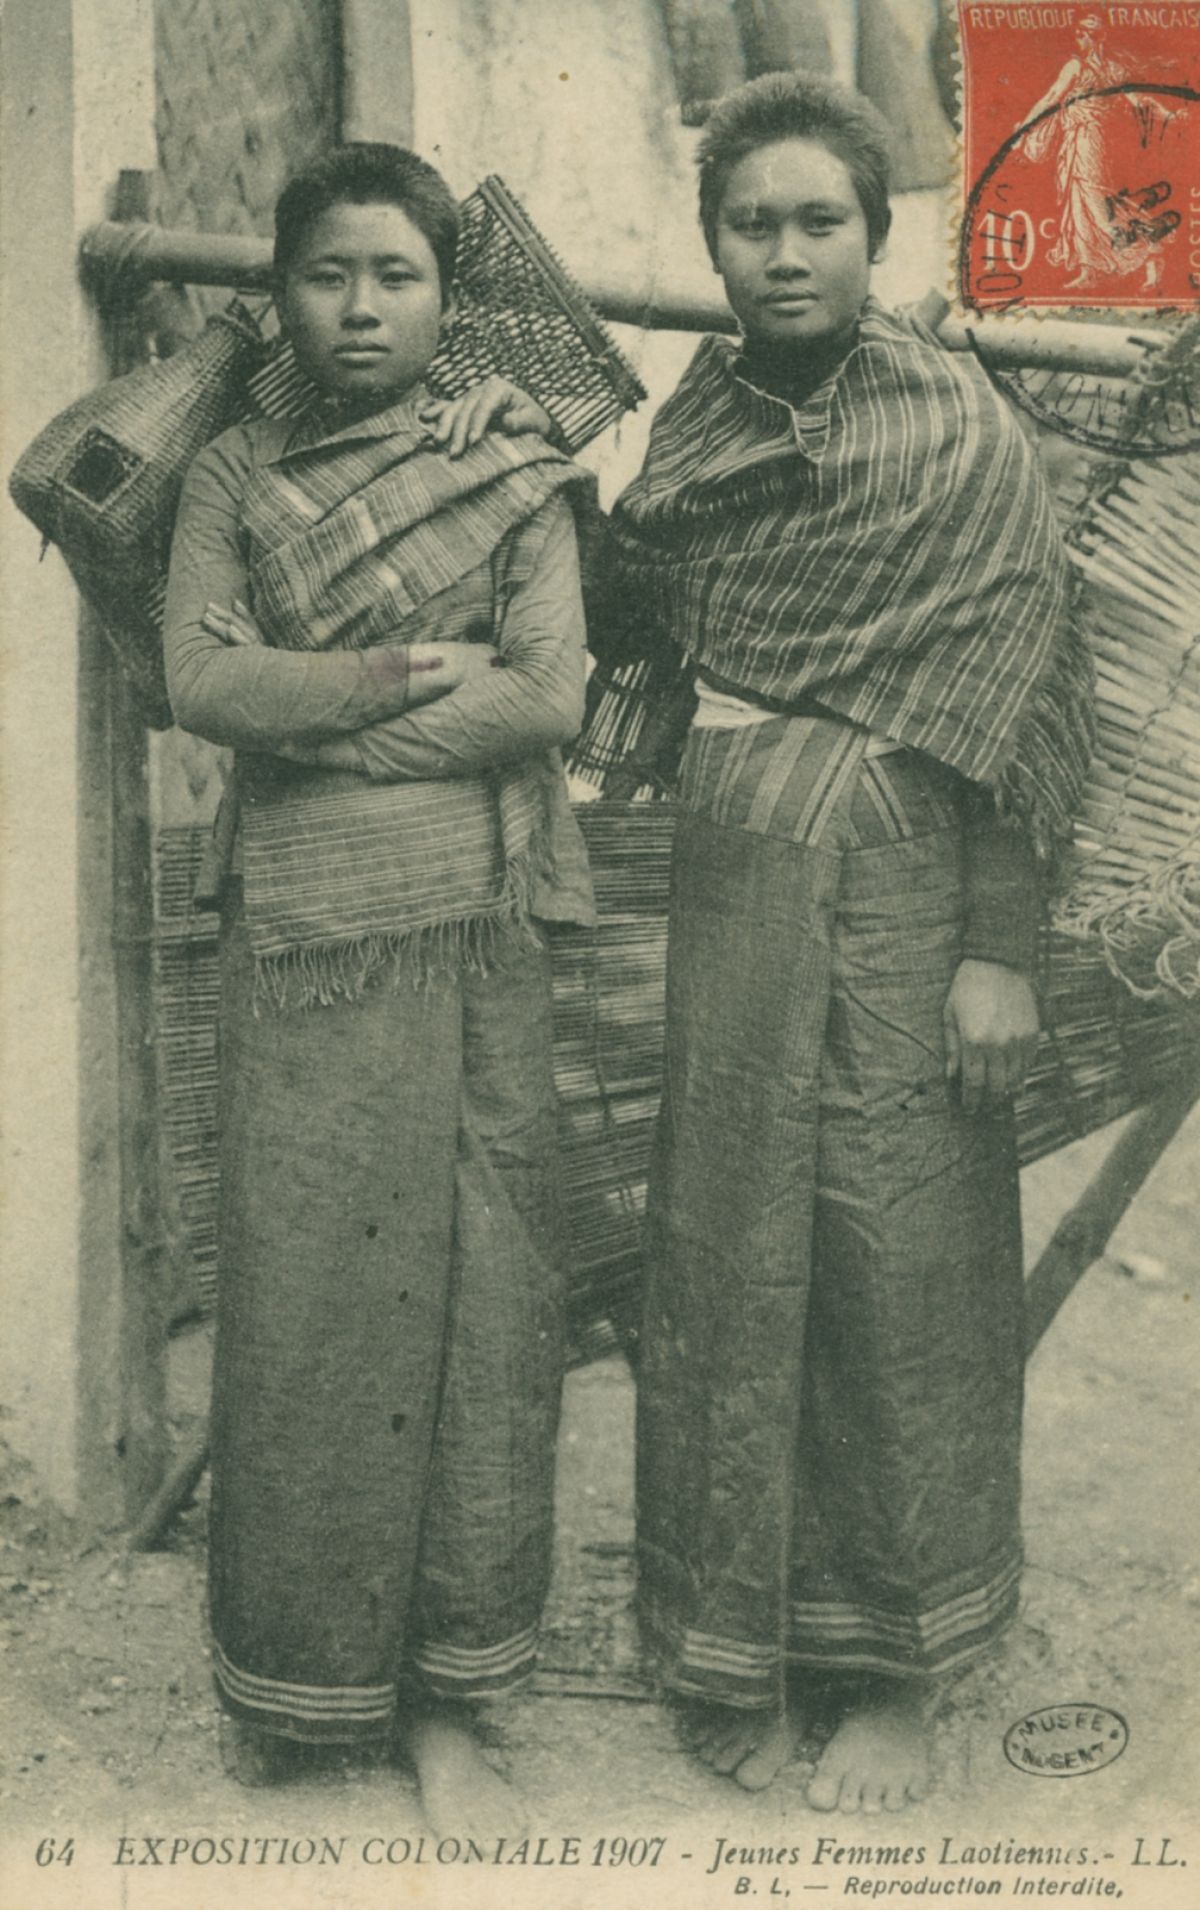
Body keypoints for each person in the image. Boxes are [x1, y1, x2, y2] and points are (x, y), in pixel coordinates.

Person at [425, 72, 1094, 1813]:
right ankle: (735, 1641)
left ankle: (891, 1671)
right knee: (726, 1256)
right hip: (733, 877)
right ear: (713, 243)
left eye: (819, 223)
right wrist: (533, 463)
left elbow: (1028, 699)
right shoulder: (706, 422)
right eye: (752, 224)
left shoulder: (958, 432)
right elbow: (634, 611)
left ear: (878, 238)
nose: (785, 254)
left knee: (894, 1259)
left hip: (905, 895)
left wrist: (999, 950)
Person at [163, 143, 594, 1837]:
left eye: (396, 275)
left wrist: (323, 732)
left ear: (446, 298)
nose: (361, 307)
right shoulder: (232, 473)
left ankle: (453, 1701)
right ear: (282, 294)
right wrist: (390, 678)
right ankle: (298, 1683)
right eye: (328, 274)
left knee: (481, 1303)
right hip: (304, 945)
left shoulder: (509, 460)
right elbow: (203, 678)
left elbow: (545, 697)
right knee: (309, 1304)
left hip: (478, 934)